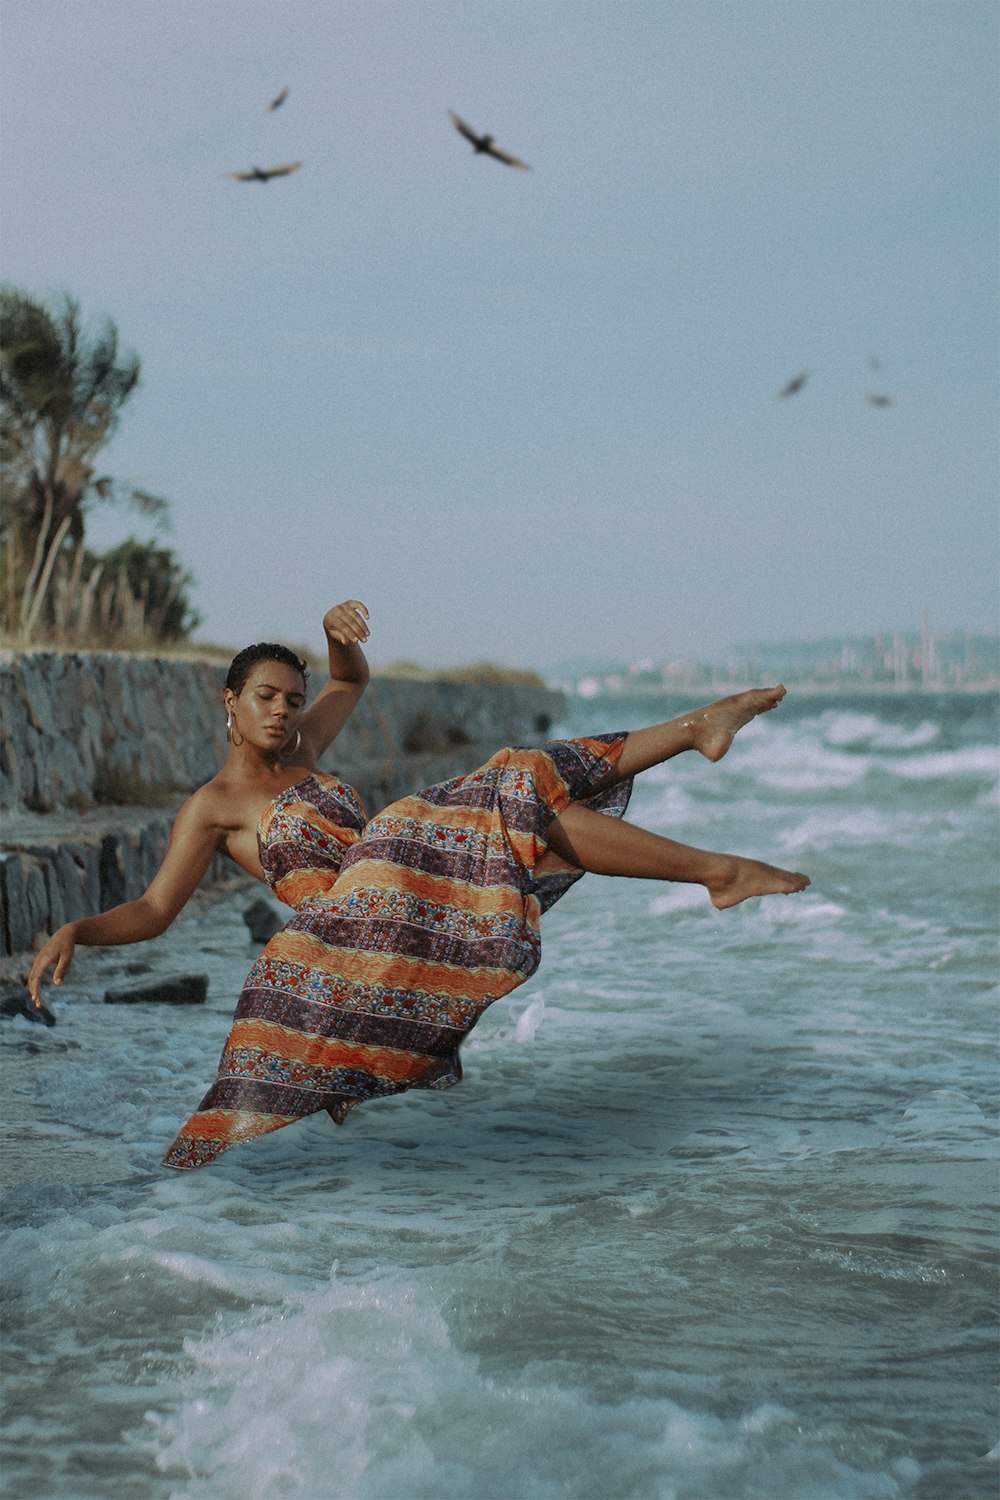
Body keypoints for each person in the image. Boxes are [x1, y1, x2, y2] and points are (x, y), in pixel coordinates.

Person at [27, 598, 809, 1170]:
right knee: (511, 782)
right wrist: (78, 931)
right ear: (229, 703)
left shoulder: (304, 748)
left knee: (524, 790)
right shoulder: (213, 807)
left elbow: (352, 677)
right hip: (354, 917)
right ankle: (712, 826)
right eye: (265, 698)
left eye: (293, 701)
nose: (282, 712)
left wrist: (337, 637)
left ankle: (710, 797)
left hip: (401, 883)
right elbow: (157, 908)